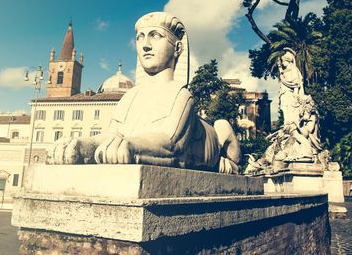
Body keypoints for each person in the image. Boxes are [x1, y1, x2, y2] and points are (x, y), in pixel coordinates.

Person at [48, 12, 240, 173]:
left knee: (222, 125)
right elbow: (111, 135)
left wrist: (132, 146)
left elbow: (171, 145)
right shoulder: (129, 97)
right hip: (133, 141)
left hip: (203, 146)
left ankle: (232, 162)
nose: (145, 45)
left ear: (178, 48)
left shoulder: (181, 95)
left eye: (155, 35)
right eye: (140, 37)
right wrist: (82, 145)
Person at [277, 48, 304, 125]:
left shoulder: (294, 70)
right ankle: (287, 123)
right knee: (284, 107)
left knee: (290, 108)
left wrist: (295, 94)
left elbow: (296, 83)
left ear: (288, 61)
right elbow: (282, 76)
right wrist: (279, 67)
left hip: (290, 94)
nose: (283, 63)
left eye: (283, 61)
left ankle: (292, 124)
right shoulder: (285, 71)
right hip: (284, 92)